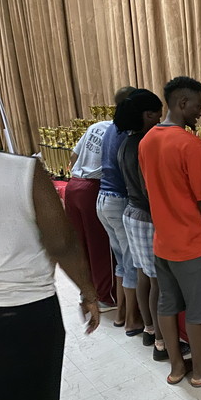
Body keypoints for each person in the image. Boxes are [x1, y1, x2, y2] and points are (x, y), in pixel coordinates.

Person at [139, 76, 201, 387]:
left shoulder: (147, 140)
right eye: (198, 106)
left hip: (163, 243)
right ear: (182, 103)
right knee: (197, 309)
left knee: (167, 304)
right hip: (192, 244)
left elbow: (150, 188)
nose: (200, 113)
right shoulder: (189, 144)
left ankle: (177, 367)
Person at [0, 151, 100, 400]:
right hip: (26, 309)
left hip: (24, 309)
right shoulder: (24, 171)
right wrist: (88, 293)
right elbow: (62, 244)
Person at [115, 88, 182, 360]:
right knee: (158, 283)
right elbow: (149, 188)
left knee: (144, 275)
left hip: (133, 214)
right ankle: (162, 344)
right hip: (145, 216)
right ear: (146, 115)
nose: (160, 119)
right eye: (157, 114)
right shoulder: (144, 144)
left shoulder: (127, 142)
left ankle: (150, 330)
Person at [67, 86, 135, 325]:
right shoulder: (122, 132)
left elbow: (73, 157)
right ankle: (106, 296)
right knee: (102, 247)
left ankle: (87, 292)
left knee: (82, 245)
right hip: (95, 188)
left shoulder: (96, 126)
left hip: (73, 185)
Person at [96, 88, 145, 335]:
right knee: (132, 262)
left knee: (121, 261)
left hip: (104, 198)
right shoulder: (128, 132)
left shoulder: (110, 128)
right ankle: (132, 320)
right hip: (119, 199)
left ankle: (121, 314)